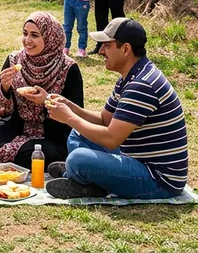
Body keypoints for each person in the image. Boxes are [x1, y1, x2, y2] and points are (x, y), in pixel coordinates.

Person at [45, 18, 188, 200]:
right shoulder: (130, 77)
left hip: (158, 180)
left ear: (126, 49)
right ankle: (86, 178)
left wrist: (69, 118)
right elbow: (105, 120)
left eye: (107, 46)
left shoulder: (141, 86)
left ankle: (81, 176)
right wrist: (69, 106)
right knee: (77, 135)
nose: (101, 51)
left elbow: (112, 139)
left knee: (77, 158)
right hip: (136, 159)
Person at [0, 12, 84, 170]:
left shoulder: (68, 68)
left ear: (50, 37)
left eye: (35, 35)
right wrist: (4, 88)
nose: (27, 40)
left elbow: (76, 114)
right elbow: (0, 111)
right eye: (25, 33)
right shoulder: (14, 60)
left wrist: (47, 100)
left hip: (51, 135)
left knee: (38, 157)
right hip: (13, 128)